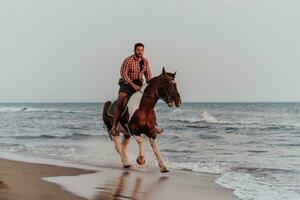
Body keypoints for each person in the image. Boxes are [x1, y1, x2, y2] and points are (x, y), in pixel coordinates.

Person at [110, 43, 162, 136]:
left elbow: (148, 75)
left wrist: (150, 86)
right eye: (138, 50)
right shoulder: (128, 60)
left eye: (142, 50)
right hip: (126, 83)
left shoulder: (145, 61)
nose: (140, 52)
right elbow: (123, 74)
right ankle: (114, 127)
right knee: (120, 101)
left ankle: (153, 125)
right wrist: (132, 84)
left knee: (147, 102)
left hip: (139, 84)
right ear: (134, 50)